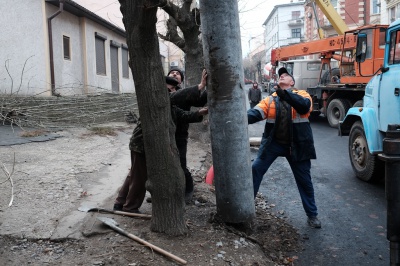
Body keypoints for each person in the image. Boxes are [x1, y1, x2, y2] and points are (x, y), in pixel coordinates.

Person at [113, 76, 208, 213]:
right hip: (141, 145)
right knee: (140, 178)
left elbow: (182, 115)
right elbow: (174, 99)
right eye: (170, 89)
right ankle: (130, 207)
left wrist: (200, 112)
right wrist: (200, 86)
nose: (172, 92)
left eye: (174, 89)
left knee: (134, 174)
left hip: (144, 145)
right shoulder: (155, 99)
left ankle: (120, 202)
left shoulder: (168, 105)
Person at [247, 67, 321, 229]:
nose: (282, 76)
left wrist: (286, 94)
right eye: (280, 75)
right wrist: (236, 117)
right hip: (274, 143)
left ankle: (312, 215)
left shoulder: (302, 95)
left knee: (304, 181)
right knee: (256, 169)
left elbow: (303, 107)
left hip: (298, 145)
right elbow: (255, 114)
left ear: (292, 82)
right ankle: (246, 209)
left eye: (286, 75)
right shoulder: (271, 99)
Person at [168, 68, 208, 202]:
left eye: (178, 73)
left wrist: (210, 86)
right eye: (172, 73)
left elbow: (200, 101)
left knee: (180, 163)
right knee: (164, 165)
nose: (174, 74)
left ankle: (188, 189)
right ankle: (165, 192)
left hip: (179, 133)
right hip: (163, 134)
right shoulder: (163, 93)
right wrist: (200, 85)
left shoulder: (185, 94)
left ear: (180, 81)